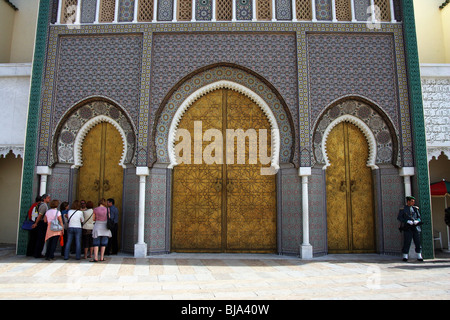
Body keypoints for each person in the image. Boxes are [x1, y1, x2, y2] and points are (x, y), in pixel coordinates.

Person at [397, 196, 423, 262]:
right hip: (408, 228)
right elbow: (399, 218)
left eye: (413, 201)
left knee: (417, 241)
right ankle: (405, 255)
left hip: (415, 227)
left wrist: (417, 220)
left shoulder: (415, 209)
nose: (413, 203)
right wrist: (407, 221)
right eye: (412, 201)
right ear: (408, 201)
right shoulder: (403, 209)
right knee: (407, 241)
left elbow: (419, 217)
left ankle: (419, 255)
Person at [32, 194, 51, 258]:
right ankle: (37, 253)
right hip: (41, 223)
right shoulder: (44, 206)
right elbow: (40, 215)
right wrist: (36, 223)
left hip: (40, 223)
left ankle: (37, 253)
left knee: (40, 239)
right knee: (40, 239)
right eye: (48, 198)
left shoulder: (41, 205)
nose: (49, 199)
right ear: (44, 199)